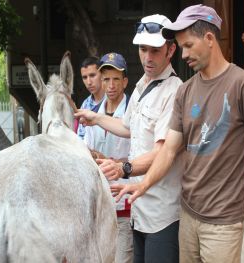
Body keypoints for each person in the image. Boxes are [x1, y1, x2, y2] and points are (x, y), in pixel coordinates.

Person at [113, 4, 244, 263]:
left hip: (223, 221)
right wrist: (141, 186)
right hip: (188, 215)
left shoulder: (242, 84)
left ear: (209, 39)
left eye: (188, 45)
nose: (184, 53)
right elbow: (168, 150)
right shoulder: (186, 91)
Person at [75, 14, 183, 263]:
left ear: (170, 50)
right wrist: (96, 117)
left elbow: (162, 151)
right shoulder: (142, 85)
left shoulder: (174, 91)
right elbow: (127, 127)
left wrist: (123, 167)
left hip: (162, 213)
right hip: (139, 209)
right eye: (143, 49)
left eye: (155, 50)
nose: (148, 57)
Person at [84, 52, 133, 263]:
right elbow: (86, 151)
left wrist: (110, 160)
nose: (111, 85)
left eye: (116, 79)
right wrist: (92, 156)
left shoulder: (134, 110)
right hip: (100, 208)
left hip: (126, 206)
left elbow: (140, 156)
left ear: (125, 82)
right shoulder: (91, 113)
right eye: (106, 79)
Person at [77, 56, 105, 139]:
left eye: (92, 75)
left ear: (102, 74)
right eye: (84, 77)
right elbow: (81, 136)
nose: (89, 82)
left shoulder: (113, 99)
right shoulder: (85, 105)